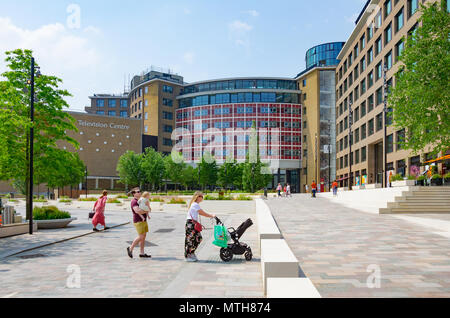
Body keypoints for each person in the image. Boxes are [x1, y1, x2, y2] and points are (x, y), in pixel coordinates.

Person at [185, 191, 215, 262]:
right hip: (190, 224)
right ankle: (188, 255)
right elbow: (202, 213)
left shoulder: (195, 204)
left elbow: (200, 213)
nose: (202, 198)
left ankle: (191, 253)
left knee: (198, 238)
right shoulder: (195, 204)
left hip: (192, 223)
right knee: (190, 240)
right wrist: (211, 215)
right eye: (201, 196)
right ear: (197, 197)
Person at [127, 188, 151, 259]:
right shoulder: (134, 202)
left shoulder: (140, 200)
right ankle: (130, 248)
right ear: (134, 194)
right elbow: (137, 211)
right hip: (138, 221)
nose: (140, 192)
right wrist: (146, 210)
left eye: (140, 191)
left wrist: (146, 209)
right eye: (138, 192)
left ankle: (142, 253)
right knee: (141, 237)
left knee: (143, 237)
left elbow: (146, 209)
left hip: (143, 221)